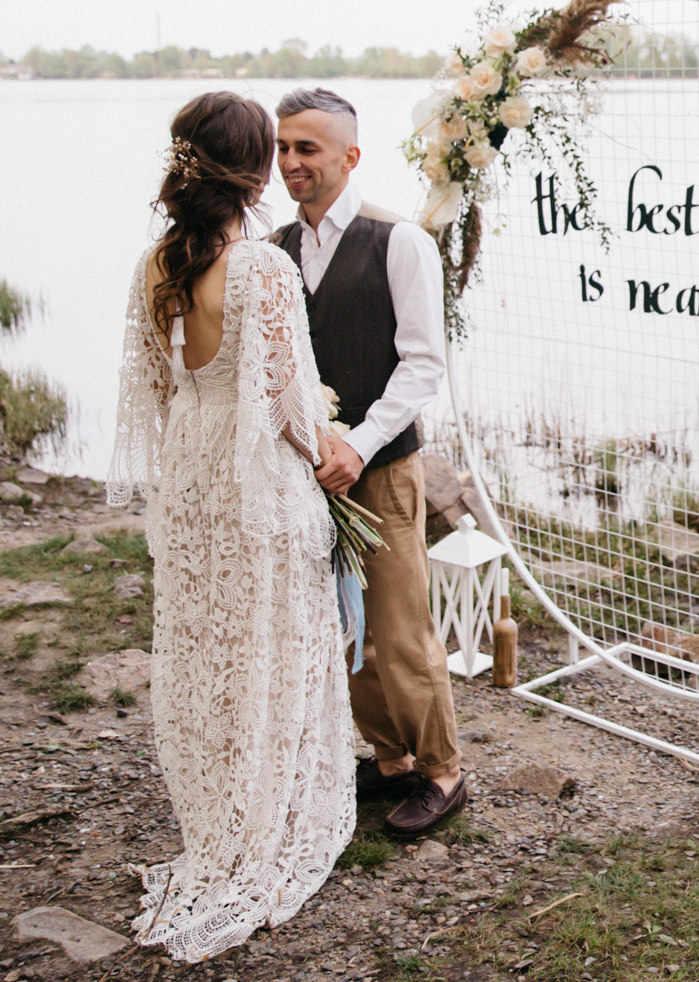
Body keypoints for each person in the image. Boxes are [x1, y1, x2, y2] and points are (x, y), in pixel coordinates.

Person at [108, 92, 356, 962]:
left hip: (192, 469)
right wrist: (326, 450)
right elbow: (290, 404)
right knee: (271, 641)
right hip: (256, 481)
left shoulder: (155, 266)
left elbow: (154, 390)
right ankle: (264, 825)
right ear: (254, 173)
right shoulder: (261, 269)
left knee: (211, 643)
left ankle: (217, 815)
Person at [270, 86, 466, 837]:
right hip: (310, 472)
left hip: (381, 469)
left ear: (349, 157)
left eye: (307, 149)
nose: (292, 163)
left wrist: (357, 444)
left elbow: (422, 367)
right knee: (343, 626)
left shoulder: (399, 241)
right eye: (284, 148)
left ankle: (443, 771)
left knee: (398, 624)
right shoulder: (279, 249)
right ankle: (389, 761)